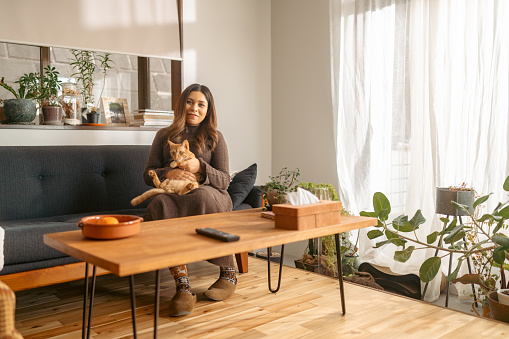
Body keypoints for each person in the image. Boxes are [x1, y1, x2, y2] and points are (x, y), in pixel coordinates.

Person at [142, 83, 235, 317]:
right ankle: (182, 284)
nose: (194, 108)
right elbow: (148, 173)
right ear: (182, 104)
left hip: (211, 192)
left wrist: (201, 167)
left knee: (201, 196)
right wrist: (166, 173)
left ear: (208, 109)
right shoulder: (163, 136)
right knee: (158, 204)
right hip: (174, 194)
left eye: (201, 104)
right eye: (190, 102)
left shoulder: (216, 137)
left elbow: (224, 180)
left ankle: (228, 273)